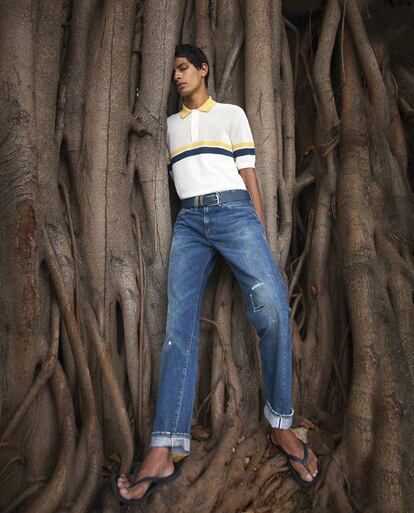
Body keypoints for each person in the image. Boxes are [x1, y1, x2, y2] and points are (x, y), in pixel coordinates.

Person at [115, 44, 318, 505]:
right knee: (176, 329)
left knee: (271, 309)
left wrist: (260, 237)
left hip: (235, 214)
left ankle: (281, 426)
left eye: (184, 68)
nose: (177, 77)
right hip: (189, 223)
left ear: (204, 69)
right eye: (172, 72)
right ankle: (163, 448)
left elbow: (249, 177)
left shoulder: (231, 114)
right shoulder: (168, 127)